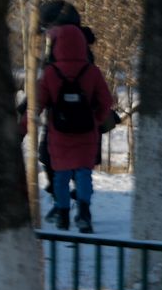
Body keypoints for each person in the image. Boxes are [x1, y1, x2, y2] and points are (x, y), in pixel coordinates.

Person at [37, 20, 113, 231]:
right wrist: (96, 120)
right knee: (83, 175)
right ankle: (84, 213)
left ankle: (62, 215)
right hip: (86, 133)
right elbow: (107, 101)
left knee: (60, 176)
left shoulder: (51, 72)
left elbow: (38, 103)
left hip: (58, 133)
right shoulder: (92, 71)